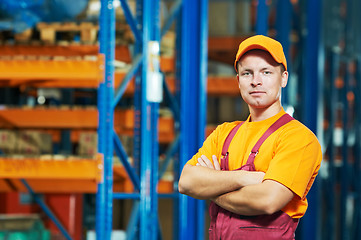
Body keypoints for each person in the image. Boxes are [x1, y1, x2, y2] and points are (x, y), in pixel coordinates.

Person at [178, 35, 322, 240]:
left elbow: (268, 200)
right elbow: (186, 181)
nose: (256, 81)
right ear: (238, 81)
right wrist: (244, 178)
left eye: (266, 72)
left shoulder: (298, 138)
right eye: (247, 73)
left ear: (284, 78)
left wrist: (212, 187)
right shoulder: (224, 133)